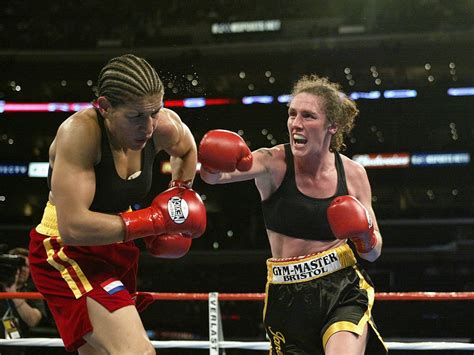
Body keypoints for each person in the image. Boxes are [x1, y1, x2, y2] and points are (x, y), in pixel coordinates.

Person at [28, 54, 207, 355]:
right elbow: (73, 227)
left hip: (117, 245)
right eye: (136, 116)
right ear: (105, 106)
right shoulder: (80, 134)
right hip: (64, 250)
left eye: (155, 112)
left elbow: (188, 150)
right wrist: (156, 220)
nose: (148, 126)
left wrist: (179, 192)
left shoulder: (162, 126)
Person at [199, 75, 387, 354]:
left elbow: (374, 252)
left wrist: (364, 236)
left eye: (308, 116)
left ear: (332, 126)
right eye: (292, 114)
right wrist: (211, 163)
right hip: (286, 295)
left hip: (341, 288)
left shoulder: (353, 174)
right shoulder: (273, 162)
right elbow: (214, 178)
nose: (296, 123)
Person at [1, 247, 48, 340]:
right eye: (18, 265)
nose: (21, 269)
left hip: (18, 347)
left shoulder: (34, 290)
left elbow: (33, 320)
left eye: (25, 265)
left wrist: (13, 293)